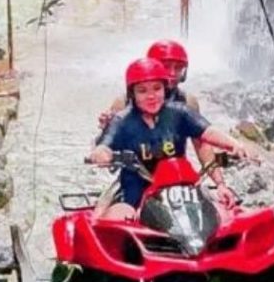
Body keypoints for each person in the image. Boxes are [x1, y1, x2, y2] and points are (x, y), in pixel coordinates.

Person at [88, 57, 251, 221]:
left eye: (157, 88)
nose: (151, 96)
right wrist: (102, 155)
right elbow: (104, 145)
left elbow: (207, 132)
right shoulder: (122, 120)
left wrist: (233, 144)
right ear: (132, 94)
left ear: (165, 89)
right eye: (142, 91)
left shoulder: (180, 112)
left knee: (221, 214)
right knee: (117, 216)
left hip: (180, 185)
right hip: (137, 188)